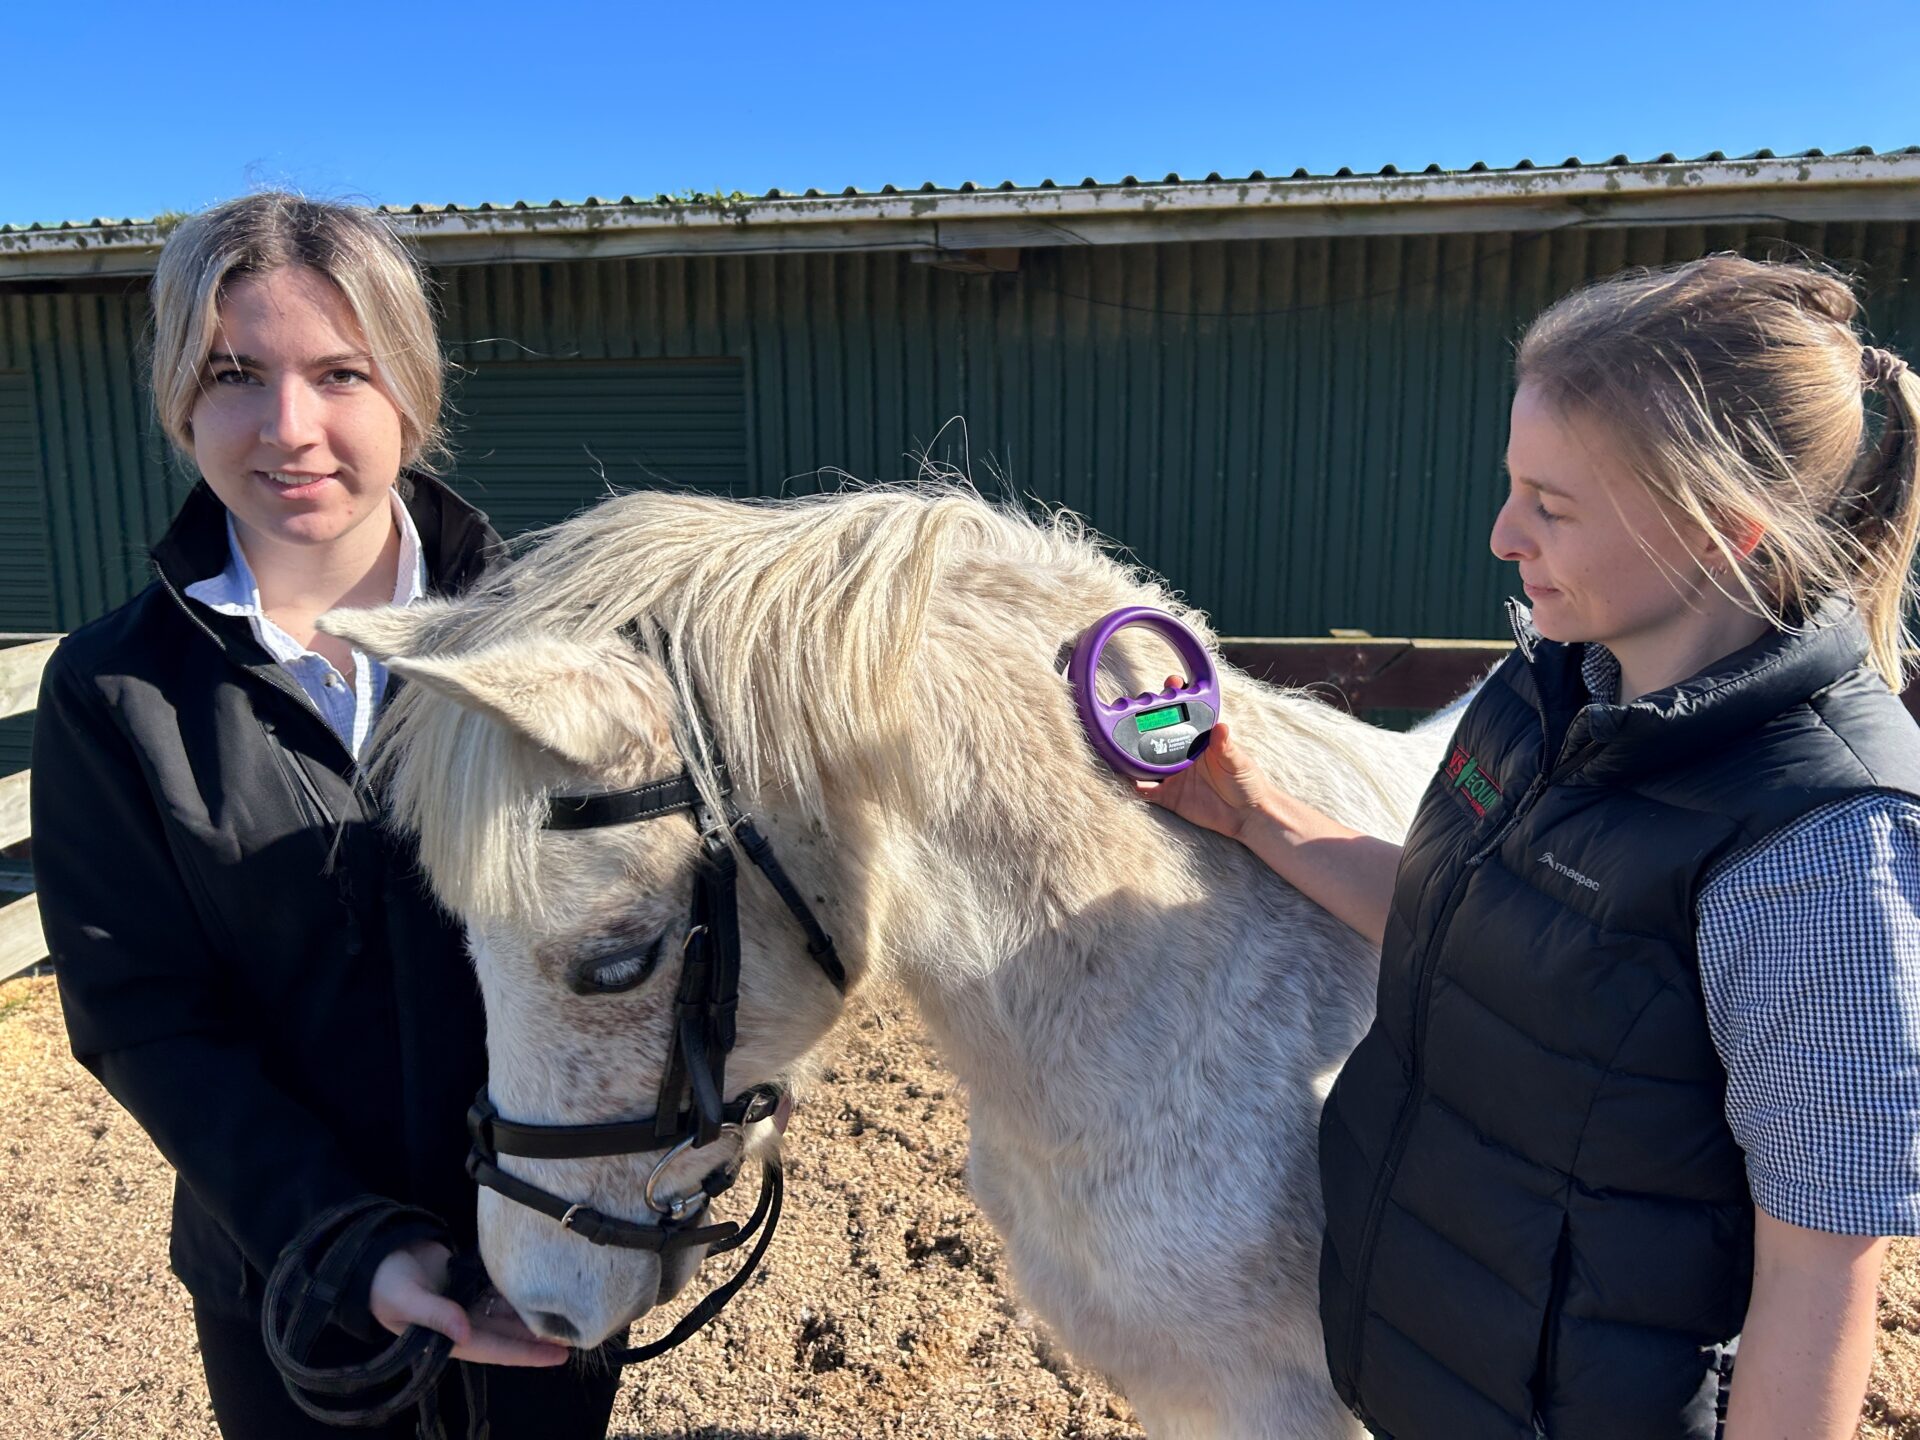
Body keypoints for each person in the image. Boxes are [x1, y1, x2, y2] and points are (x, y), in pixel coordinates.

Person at [1143, 255, 1920, 1439]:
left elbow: (1821, 1269)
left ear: (1718, 531)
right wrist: (1256, 814)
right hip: (1429, 1366)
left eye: (1552, 506)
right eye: (1513, 485)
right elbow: (1472, 939)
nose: (1506, 534)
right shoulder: (1543, 691)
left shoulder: (1822, 849)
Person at [30, 194, 623, 1438]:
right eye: (235, 374)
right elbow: (143, 1015)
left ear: (410, 392)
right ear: (179, 401)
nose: (289, 429)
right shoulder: (114, 690)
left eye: (340, 372)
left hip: (546, 1266)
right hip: (290, 1287)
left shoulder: (564, 653)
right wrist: (346, 1245)